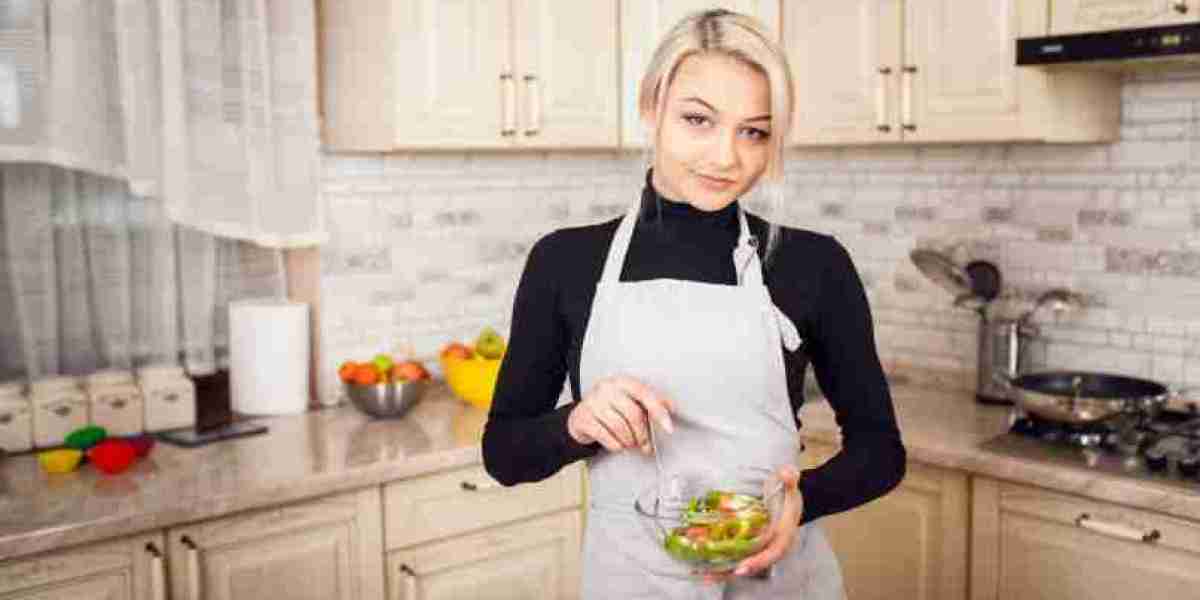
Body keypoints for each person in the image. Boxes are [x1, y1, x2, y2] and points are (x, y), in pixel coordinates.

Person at [482, 9, 905, 599]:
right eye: (698, 120)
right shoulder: (565, 263)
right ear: (651, 107)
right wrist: (575, 423)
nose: (726, 157)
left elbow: (881, 452)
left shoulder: (813, 265)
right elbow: (503, 454)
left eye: (753, 131)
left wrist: (804, 500)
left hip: (780, 584)